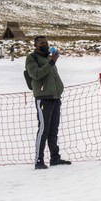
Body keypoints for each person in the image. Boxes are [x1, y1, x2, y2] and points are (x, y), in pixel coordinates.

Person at [25, 36, 71, 169]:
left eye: (46, 43)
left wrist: (51, 61)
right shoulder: (32, 58)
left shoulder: (48, 58)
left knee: (53, 129)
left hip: (55, 97)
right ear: (35, 45)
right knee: (43, 129)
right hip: (44, 98)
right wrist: (51, 62)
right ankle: (39, 160)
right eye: (41, 43)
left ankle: (55, 158)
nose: (44, 45)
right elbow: (35, 74)